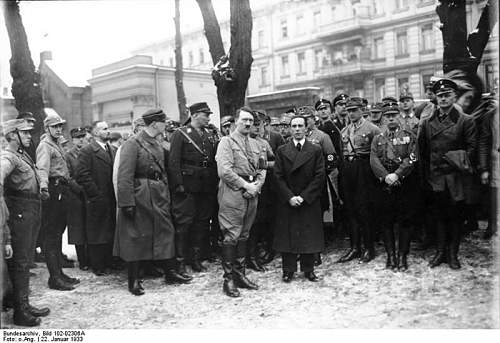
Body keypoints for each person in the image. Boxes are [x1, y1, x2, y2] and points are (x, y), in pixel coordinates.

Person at [114, 109, 188, 296]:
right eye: (164, 122)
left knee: (165, 231)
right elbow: (124, 175)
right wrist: (126, 203)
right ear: (155, 124)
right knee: (136, 236)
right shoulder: (132, 144)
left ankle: (170, 273)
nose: (166, 126)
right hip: (140, 194)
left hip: (158, 193)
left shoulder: (158, 142)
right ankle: (134, 280)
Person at [418, 78, 477, 270]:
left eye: (447, 95)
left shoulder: (465, 121)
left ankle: (452, 254)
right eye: (439, 95)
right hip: (435, 178)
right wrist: (427, 176)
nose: (443, 98)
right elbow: (424, 151)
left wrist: (453, 159)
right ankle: (440, 252)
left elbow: (472, 149)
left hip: (455, 178)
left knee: (455, 218)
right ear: (435, 97)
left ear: (455, 96)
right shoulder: (427, 123)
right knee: (439, 217)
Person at [1, 119, 50, 326]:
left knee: (25, 259)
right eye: (25, 133)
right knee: (20, 262)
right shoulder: (8, 157)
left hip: (30, 209)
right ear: (13, 135)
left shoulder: (21, 154)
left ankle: (23, 303)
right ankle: (20, 312)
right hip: (20, 211)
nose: (30, 136)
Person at [215, 107, 266, 297]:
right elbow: (224, 171)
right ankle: (228, 279)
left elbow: (262, 168)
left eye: (251, 121)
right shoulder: (226, 142)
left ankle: (240, 274)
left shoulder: (256, 144)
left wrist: (257, 186)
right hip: (233, 193)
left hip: (252, 193)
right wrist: (246, 185)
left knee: (245, 234)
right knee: (231, 235)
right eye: (244, 120)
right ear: (236, 121)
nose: (248, 124)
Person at [168, 102, 218, 276]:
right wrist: (178, 184)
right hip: (187, 186)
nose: (208, 118)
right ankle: (180, 262)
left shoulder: (208, 135)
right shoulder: (180, 134)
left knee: (202, 223)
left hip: (205, 186)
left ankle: (195, 259)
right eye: (206, 115)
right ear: (195, 115)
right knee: (184, 225)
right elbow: (173, 162)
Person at [273, 115, 325, 282]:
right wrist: (289, 197)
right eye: (293, 126)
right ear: (290, 129)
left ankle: (308, 269)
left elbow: (319, 176)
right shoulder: (281, 150)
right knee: (287, 235)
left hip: (307, 199)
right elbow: (278, 177)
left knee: (308, 234)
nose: (296, 129)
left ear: (305, 128)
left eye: (300, 126)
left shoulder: (315, 150)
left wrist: (303, 197)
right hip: (288, 200)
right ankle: (288, 270)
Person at [370, 105, 418, 271]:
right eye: (387, 115)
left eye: (394, 115)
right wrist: (385, 176)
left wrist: (397, 174)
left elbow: (412, 157)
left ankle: (402, 255)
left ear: (399, 116)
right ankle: (391, 255)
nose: (391, 118)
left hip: (404, 183)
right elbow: (373, 159)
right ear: (383, 117)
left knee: (405, 220)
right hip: (385, 184)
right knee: (386, 221)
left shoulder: (409, 135)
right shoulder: (378, 137)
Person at [37, 112, 78, 291]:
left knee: (58, 234)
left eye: (60, 126)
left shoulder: (56, 144)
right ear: (47, 128)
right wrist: (44, 188)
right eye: (55, 127)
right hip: (53, 191)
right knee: (51, 236)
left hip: (62, 189)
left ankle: (59, 273)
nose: (59, 129)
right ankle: (54, 277)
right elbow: (42, 168)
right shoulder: (45, 145)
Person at [337, 98, 381, 264]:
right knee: (351, 209)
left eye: (354, 110)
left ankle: (369, 248)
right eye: (349, 111)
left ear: (362, 110)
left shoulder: (372, 129)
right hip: (348, 170)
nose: (351, 113)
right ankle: (355, 247)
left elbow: (378, 152)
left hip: (364, 170)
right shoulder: (345, 131)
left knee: (364, 209)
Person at [76, 121, 117, 276]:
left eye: (108, 128)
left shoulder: (112, 149)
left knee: (109, 230)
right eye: (104, 129)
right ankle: (97, 265)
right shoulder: (87, 151)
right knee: (97, 232)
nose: (108, 131)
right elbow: (82, 175)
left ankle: (109, 261)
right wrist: (95, 194)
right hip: (97, 199)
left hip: (110, 197)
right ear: (95, 132)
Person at [65, 127, 89, 271]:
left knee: (89, 226)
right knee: (78, 228)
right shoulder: (68, 155)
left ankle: (90, 258)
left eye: (82, 136)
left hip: (89, 194)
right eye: (77, 137)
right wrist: (79, 189)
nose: (81, 139)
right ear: (72, 139)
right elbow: (67, 176)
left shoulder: (88, 152)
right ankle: (83, 260)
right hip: (76, 196)